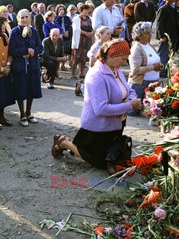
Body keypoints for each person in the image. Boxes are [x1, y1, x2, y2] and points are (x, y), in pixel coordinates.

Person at [51, 39, 141, 174]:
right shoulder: (96, 74)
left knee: (108, 158)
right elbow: (101, 109)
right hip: (98, 126)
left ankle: (68, 143)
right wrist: (128, 105)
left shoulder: (117, 71)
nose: (125, 62)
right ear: (111, 56)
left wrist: (129, 99)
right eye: (123, 58)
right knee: (98, 162)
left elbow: (130, 91)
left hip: (115, 123)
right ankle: (64, 142)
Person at [9, 9, 43, 127]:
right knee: (20, 90)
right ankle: (22, 114)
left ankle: (29, 112)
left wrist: (33, 51)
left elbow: (40, 47)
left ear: (29, 18)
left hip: (33, 65)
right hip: (19, 66)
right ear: (18, 19)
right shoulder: (14, 32)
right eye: (21, 17)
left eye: (26, 17)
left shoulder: (34, 31)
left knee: (31, 89)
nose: (24, 19)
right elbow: (12, 50)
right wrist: (24, 51)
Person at [128, 22, 163, 113]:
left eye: (150, 32)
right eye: (147, 33)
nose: (150, 35)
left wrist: (159, 66)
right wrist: (153, 67)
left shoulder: (149, 45)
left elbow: (154, 59)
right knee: (134, 112)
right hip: (140, 85)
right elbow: (135, 70)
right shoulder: (136, 48)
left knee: (151, 112)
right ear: (139, 35)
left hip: (153, 83)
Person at [156, 0, 178, 77]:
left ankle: (167, 70)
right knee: (163, 54)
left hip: (174, 35)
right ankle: (161, 71)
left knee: (170, 55)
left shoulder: (174, 7)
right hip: (166, 36)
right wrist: (162, 36)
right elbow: (159, 24)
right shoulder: (163, 9)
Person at [71, 4, 94, 79]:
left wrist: (91, 33)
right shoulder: (77, 18)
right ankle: (73, 73)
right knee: (76, 57)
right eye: (85, 10)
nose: (87, 11)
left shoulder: (90, 19)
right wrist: (85, 33)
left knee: (84, 57)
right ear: (81, 11)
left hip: (87, 40)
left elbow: (94, 27)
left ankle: (81, 73)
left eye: (88, 10)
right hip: (79, 39)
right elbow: (76, 29)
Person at [55, 4, 72, 71]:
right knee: (59, 51)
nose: (61, 11)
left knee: (65, 50)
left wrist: (67, 31)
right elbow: (55, 24)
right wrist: (59, 16)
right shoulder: (56, 17)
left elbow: (70, 26)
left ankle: (63, 65)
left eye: (62, 9)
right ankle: (57, 66)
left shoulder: (67, 18)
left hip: (66, 36)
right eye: (60, 9)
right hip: (59, 35)